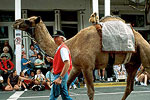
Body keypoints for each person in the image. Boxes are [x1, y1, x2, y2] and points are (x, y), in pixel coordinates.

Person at [49, 30, 72, 100]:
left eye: (57, 37)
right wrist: (53, 60)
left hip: (60, 75)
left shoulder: (62, 49)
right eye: (54, 37)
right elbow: (63, 62)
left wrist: (60, 78)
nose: (54, 39)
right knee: (65, 96)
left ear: (62, 38)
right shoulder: (61, 48)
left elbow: (67, 63)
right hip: (62, 75)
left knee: (53, 96)